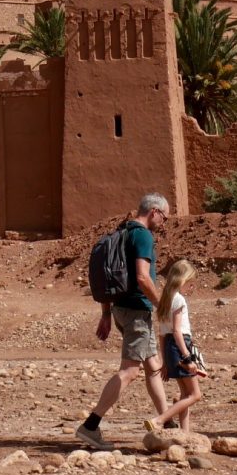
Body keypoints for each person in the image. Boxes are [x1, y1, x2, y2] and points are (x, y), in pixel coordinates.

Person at [75, 192, 172, 450]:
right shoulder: (142, 235)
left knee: (153, 365)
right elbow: (142, 277)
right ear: (154, 212)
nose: (164, 223)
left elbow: (109, 275)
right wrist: (163, 305)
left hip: (121, 308)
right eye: (165, 217)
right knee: (130, 371)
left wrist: (106, 313)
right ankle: (90, 426)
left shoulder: (123, 231)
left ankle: (167, 424)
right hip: (137, 311)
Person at [151, 257, 208, 432]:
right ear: (182, 280)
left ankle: (185, 433)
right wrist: (187, 357)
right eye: (190, 283)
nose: (191, 287)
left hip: (170, 347)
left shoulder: (166, 300)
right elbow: (177, 331)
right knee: (195, 394)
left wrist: (165, 362)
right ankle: (159, 420)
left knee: (185, 394)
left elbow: (162, 334)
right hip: (180, 345)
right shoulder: (179, 300)